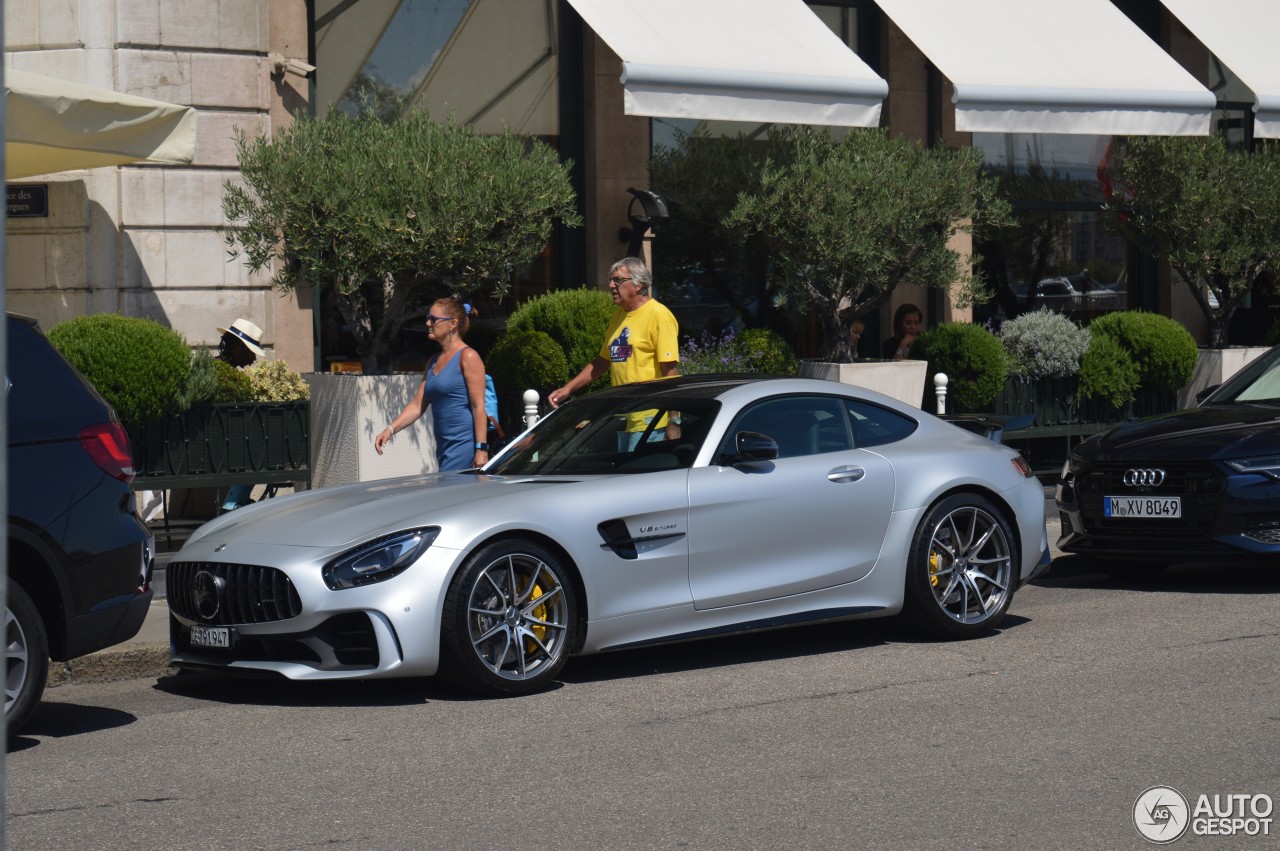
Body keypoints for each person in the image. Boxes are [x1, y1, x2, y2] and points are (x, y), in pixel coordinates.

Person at [548, 257, 680, 449]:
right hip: (623, 419)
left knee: (638, 479)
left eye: (618, 280)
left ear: (638, 284)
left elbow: (670, 373)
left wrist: (674, 422)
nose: (611, 285)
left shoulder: (659, 316)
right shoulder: (619, 316)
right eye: (611, 279)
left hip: (650, 422)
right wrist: (567, 389)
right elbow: (601, 362)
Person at [374, 296, 491, 471]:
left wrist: (481, 450)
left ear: (453, 324)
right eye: (428, 318)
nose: (428, 323)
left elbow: (479, 407)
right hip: (444, 449)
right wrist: (390, 429)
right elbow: (417, 405)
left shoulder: (468, 357)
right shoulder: (433, 361)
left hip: (464, 448)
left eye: (433, 319)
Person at [216, 318, 267, 510]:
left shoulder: (220, 371)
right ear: (237, 348)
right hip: (221, 449)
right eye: (251, 353)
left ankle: (235, 502)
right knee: (260, 451)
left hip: (221, 446)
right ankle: (232, 505)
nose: (254, 360)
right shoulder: (227, 377)